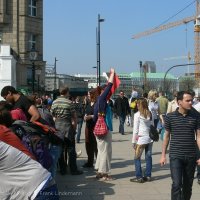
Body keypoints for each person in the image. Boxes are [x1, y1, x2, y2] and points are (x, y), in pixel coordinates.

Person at [160, 91, 200, 200]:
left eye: (191, 100)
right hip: (175, 155)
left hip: (191, 156)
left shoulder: (196, 116)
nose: (191, 102)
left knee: (188, 186)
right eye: (188, 100)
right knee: (176, 184)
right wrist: (163, 155)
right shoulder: (170, 117)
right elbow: (166, 136)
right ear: (179, 102)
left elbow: (199, 137)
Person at [51, 86, 83, 175]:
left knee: (60, 149)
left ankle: (62, 169)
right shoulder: (69, 103)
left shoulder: (54, 102)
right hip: (67, 126)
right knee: (71, 149)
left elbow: (52, 115)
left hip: (57, 126)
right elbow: (74, 117)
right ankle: (73, 169)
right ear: (66, 92)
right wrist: (75, 128)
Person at [93, 68, 115, 181]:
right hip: (105, 129)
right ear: (102, 91)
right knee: (106, 151)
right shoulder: (102, 99)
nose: (109, 93)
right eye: (106, 91)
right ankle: (105, 174)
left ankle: (100, 171)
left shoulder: (98, 101)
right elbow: (110, 85)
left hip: (99, 129)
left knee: (101, 151)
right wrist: (112, 73)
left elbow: (94, 117)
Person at [130, 98, 153, 183]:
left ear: (141, 105)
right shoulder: (149, 113)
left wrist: (133, 141)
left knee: (137, 158)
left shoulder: (137, 115)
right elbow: (152, 125)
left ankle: (139, 176)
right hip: (150, 138)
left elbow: (135, 130)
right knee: (148, 157)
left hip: (141, 138)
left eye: (138, 104)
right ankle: (148, 175)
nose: (137, 105)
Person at [82, 90, 98, 168]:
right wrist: (85, 117)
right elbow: (86, 112)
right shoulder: (88, 103)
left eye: (89, 94)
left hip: (95, 126)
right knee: (88, 144)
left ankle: (98, 162)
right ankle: (90, 162)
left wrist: (91, 116)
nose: (88, 95)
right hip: (88, 127)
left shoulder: (97, 104)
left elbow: (99, 115)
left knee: (95, 144)